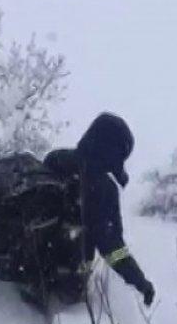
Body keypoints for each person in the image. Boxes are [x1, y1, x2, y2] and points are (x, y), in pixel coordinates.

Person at [37, 112, 155, 308]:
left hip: (29, 266)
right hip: (62, 284)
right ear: (113, 152)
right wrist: (140, 282)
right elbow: (112, 248)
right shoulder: (103, 189)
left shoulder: (55, 158)